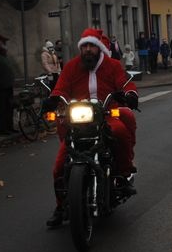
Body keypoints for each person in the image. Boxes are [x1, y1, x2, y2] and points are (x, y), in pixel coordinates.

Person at [45, 28, 139, 227]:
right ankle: (61, 206)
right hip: (78, 119)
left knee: (121, 130)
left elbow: (125, 84)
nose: (88, 50)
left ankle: (123, 173)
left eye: (92, 46)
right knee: (59, 165)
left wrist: (129, 94)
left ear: (99, 48)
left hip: (105, 114)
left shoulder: (113, 65)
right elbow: (60, 87)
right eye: (85, 46)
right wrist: (53, 99)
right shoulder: (71, 67)